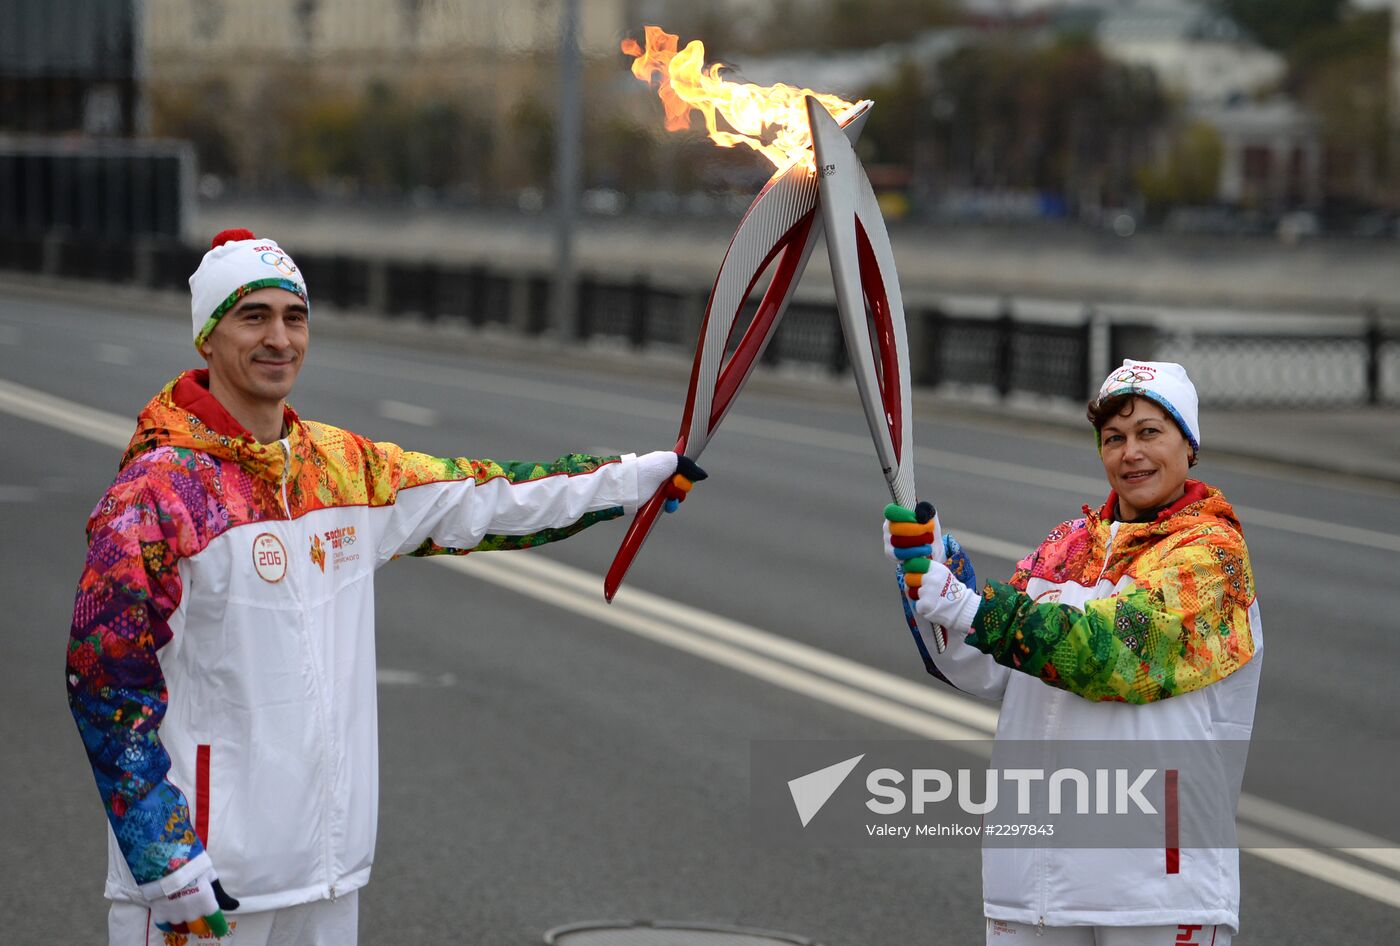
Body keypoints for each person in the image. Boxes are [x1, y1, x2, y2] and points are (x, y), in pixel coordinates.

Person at [67, 229, 705, 946]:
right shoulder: (157, 497)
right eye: (253, 317)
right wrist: (165, 861)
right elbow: (106, 686)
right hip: (204, 884)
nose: (280, 338)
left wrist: (632, 481)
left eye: (294, 317)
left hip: (328, 874)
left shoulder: (344, 470)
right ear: (208, 339)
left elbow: (485, 499)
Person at [884, 360, 1261, 946]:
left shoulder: (1212, 555)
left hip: (1154, 890)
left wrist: (969, 606)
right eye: (1114, 438)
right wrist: (931, 567)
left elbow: (1112, 656)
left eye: (1150, 433)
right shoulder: (1069, 545)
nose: (1130, 452)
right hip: (1032, 884)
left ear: (1189, 445)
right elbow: (988, 664)